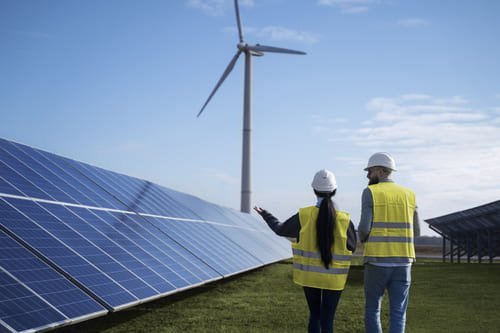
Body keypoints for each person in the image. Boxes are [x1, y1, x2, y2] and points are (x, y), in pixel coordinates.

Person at [254, 169, 357, 333]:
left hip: (310, 277)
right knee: (328, 320)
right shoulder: (345, 219)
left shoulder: (304, 215)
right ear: (334, 191)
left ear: (314, 190)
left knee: (315, 316)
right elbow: (352, 245)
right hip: (335, 279)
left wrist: (265, 214)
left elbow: (281, 229)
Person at [359, 152, 420, 333]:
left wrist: (363, 240)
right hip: (404, 262)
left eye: (370, 171)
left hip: (377, 260)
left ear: (379, 170)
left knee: (372, 308)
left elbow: (363, 228)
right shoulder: (409, 194)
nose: (368, 175)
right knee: (399, 311)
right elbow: (416, 231)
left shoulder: (370, 192)